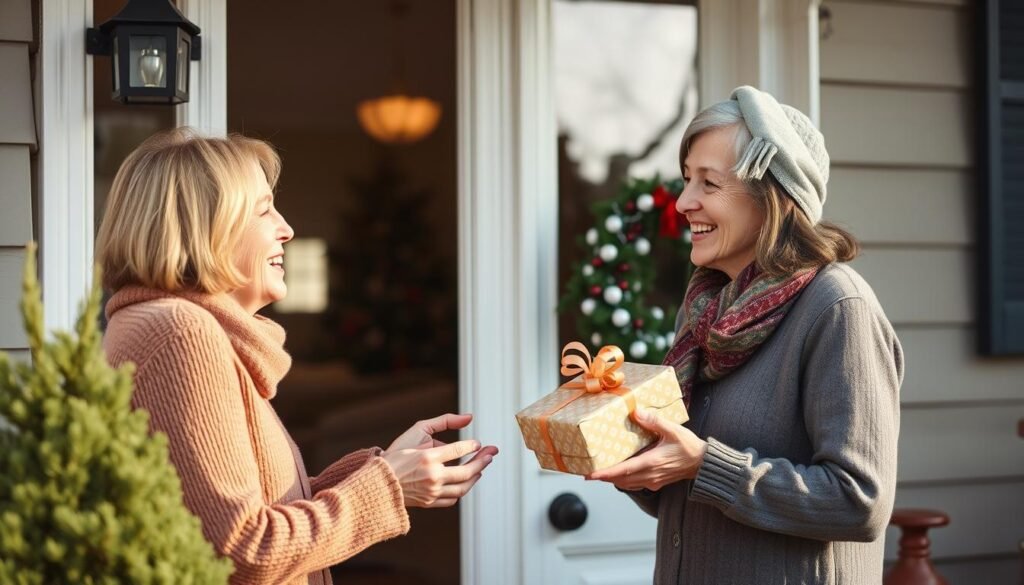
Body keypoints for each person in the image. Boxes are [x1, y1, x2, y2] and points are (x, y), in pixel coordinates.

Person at [96, 128, 498, 585]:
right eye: (265, 210)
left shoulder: (168, 327)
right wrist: (387, 486)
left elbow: (242, 519)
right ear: (207, 226)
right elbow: (246, 552)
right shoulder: (181, 333)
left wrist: (386, 469)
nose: (286, 229)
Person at [588, 86, 903, 584]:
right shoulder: (705, 309)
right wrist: (629, 453)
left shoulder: (837, 307)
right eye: (686, 179)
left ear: (772, 197)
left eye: (708, 184)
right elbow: (689, 500)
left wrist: (704, 465)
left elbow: (859, 502)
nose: (685, 201)